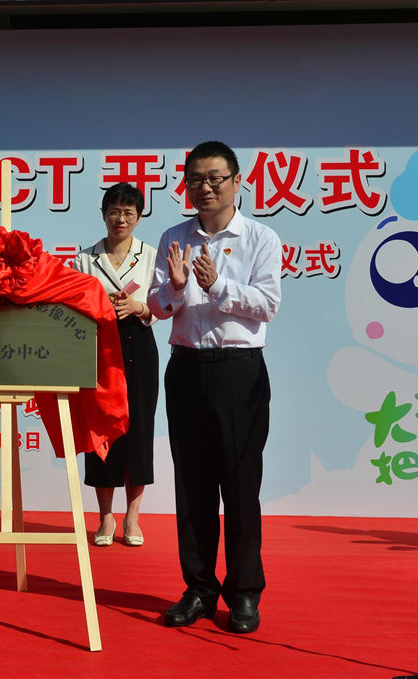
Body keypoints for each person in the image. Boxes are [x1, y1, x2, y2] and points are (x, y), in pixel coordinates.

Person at [146, 141, 282, 634]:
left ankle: (244, 592)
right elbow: (157, 307)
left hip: (239, 372)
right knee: (194, 486)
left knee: (241, 487)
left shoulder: (261, 238)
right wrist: (178, 286)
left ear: (236, 181)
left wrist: (218, 284)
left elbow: (267, 304)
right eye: (196, 179)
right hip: (186, 369)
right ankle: (200, 588)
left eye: (215, 178)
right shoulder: (173, 237)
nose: (205, 187)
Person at [73, 183, 158, 548]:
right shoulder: (85, 258)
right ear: (104, 213)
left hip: (139, 345)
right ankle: (105, 516)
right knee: (102, 431)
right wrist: (99, 305)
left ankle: (132, 517)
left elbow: (166, 304)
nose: (120, 218)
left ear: (138, 218)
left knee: (139, 431)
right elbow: (73, 306)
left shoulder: (151, 255)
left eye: (128, 212)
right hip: (99, 349)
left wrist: (140, 308)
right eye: (114, 210)